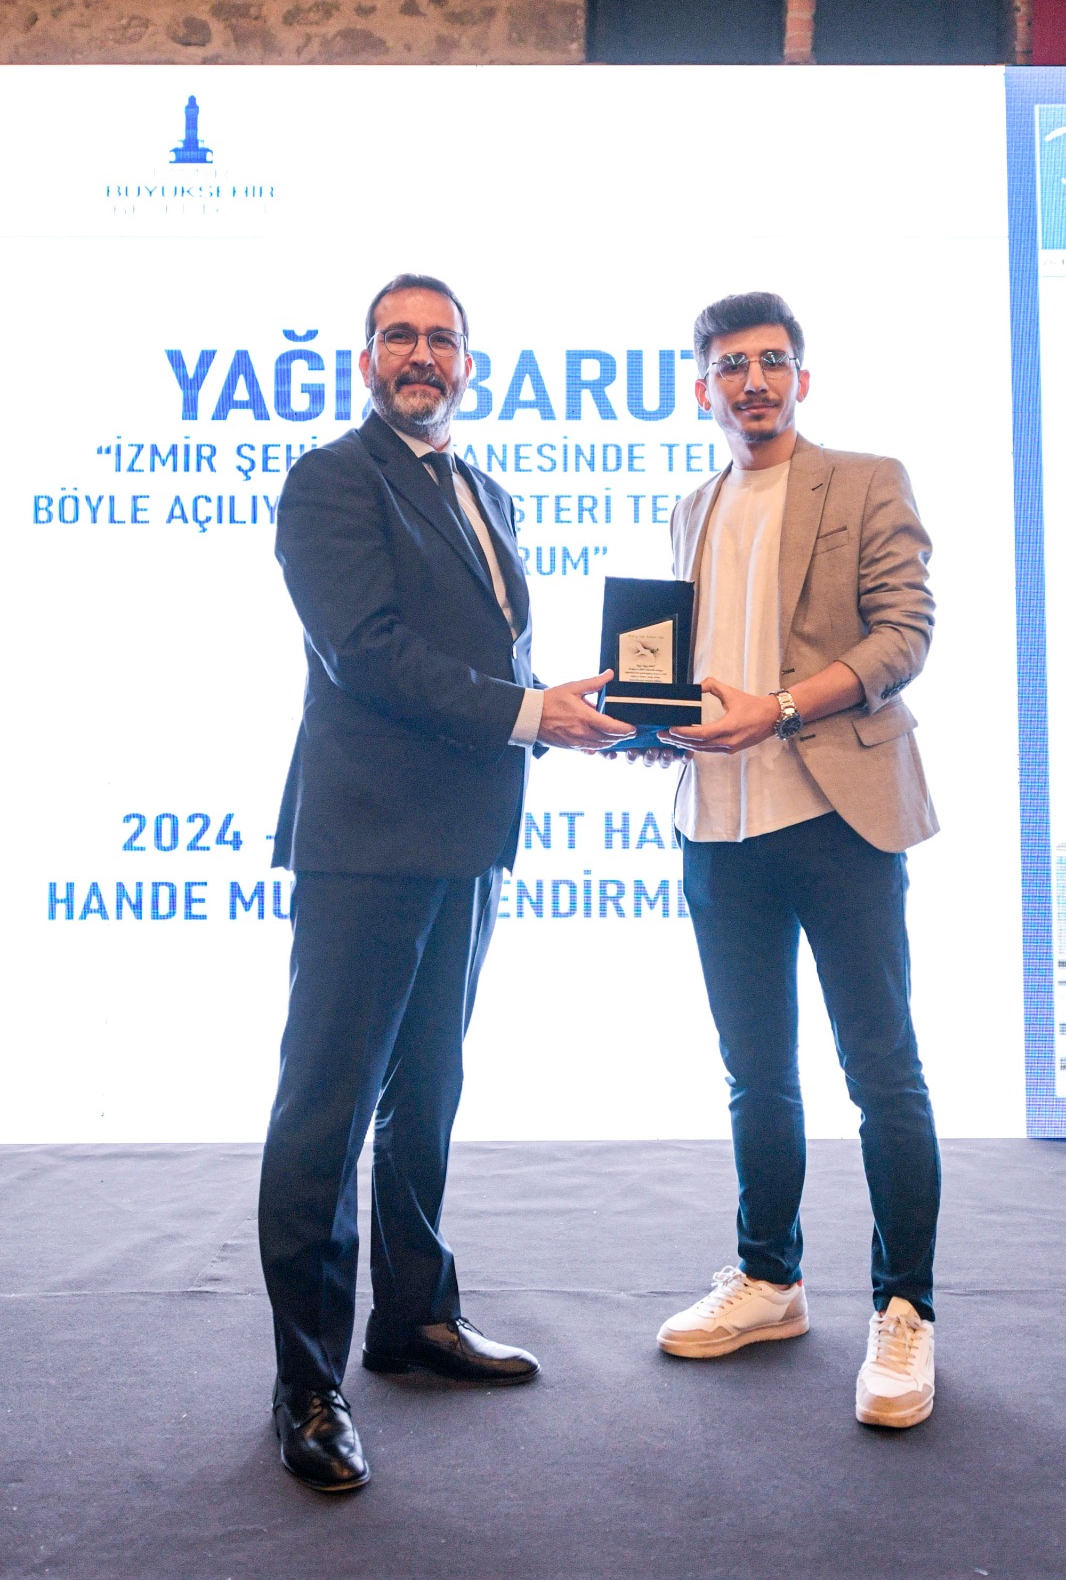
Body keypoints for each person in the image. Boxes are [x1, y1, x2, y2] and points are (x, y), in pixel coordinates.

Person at [258, 273, 632, 1492]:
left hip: (467, 838)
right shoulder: (330, 479)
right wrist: (533, 713)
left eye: (442, 339)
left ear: (468, 364)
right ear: (364, 359)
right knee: (326, 1109)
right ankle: (308, 1384)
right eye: (399, 337)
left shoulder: (484, 490)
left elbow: (493, 662)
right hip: (366, 839)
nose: (421, 354)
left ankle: (412, 1316)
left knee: (425, 1091)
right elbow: (366, 654)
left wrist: (600, 716)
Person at [654, 291, 941, 1430]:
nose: (754, 381)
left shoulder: (864, 481)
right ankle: (768, 1278)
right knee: (755, 1073)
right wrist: (654, 725)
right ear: (704, 390)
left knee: (882, 1071)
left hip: (837, 816)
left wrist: (774, 710)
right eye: (732, 366)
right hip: (717, 825)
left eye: (772, 361)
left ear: (802, 379)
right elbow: (691, 667)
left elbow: (903, 636)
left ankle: (905, 1309)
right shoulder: (692, 507)